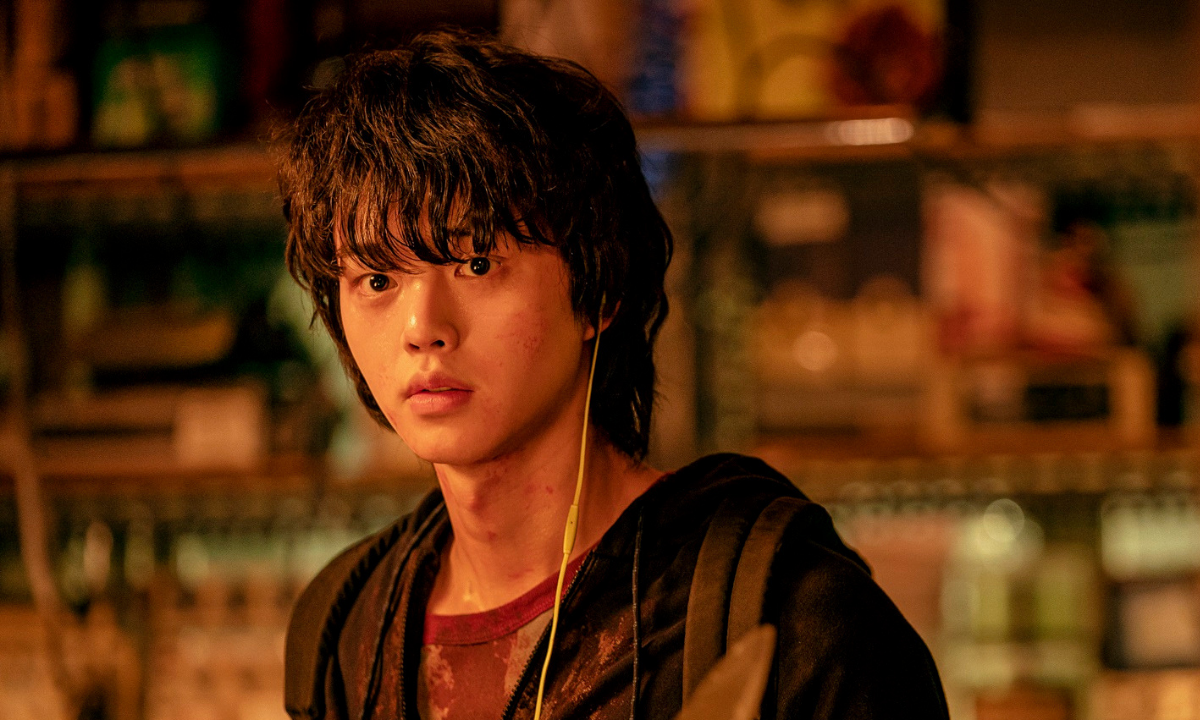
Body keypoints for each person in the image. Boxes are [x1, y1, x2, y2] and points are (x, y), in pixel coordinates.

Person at [277, 29, 947, 720]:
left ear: (597, 288)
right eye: (377, 279)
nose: (423, 327)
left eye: (476, 264)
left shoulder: (789, 620)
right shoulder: (347, 629)